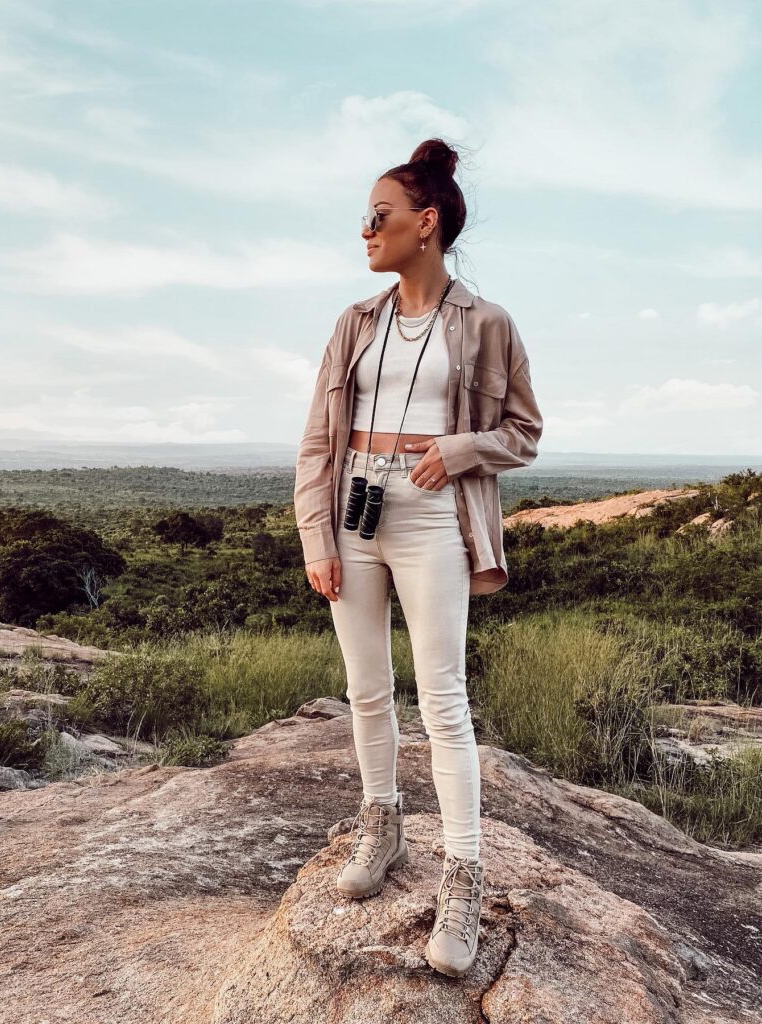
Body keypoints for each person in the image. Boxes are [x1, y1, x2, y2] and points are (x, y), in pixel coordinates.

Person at [293, 137, 544, 977]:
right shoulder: (353, 324)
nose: (365, 231)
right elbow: (316, 443)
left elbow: (523, 434)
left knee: (443, 700)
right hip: (352, 509)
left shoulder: (486, 322)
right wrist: (314, 537)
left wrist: (461, 448)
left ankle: (463, 877)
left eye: (379, 216)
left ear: (425, 224)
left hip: (433, 515)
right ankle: (381, 820)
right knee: (366, 691)